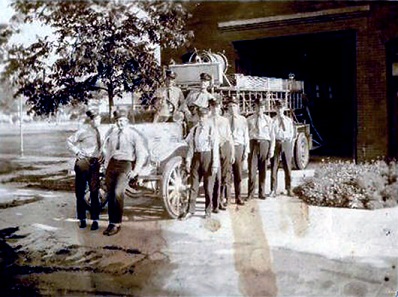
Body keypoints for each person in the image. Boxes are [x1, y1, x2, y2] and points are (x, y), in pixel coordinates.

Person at [102, 109, 148, 235]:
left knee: (118, 192)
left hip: (125, 164)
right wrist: (106, 167)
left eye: (122, 121)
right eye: (118, 121)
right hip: (112, 164)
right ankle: (111, 223)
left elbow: (141, 153)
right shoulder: (113, 134)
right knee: (110, 193)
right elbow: (109, 151)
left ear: (127, 121)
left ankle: (117, 224)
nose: (120, 123)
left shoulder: (133, 135)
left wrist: (135, 171)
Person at [181, 107, 219, 219]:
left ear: (208, 116)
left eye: (204, 116)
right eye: (200, 116)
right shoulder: (194, 130)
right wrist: (188, 160)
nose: (202, 119)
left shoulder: (212, 129)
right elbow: (190, 146)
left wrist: (215, 164)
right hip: (196, 158)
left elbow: (215, 147)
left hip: (208, 157)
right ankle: (190, 210)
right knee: (194, 186)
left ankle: (208, 211)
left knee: (208, 187)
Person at [67, 110, 103, 231]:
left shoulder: (99, 131)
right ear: (91, 120)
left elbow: (100, 147)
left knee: (94, 191)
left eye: (99, 119)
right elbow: (69, 141)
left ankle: (95, 220)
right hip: (83, 162)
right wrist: (77, 152)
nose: (99, 121)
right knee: (80, 192)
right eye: (96, 119)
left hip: (94, 163)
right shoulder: (83, 131)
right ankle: (82, 219)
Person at [209, 95, 234, 212]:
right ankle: (215, 204)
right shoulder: (207, 120)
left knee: (224, 176)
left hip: (225, 148)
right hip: (213, 149)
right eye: (213, 107)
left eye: (217, 107)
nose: (215, 109)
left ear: (220, 108)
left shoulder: (224, 121)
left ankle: (221, 201)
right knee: (216, 177)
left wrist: (232, 153)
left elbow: (229, 137)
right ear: (210, 108)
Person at [247, 97, 274, 200]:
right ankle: (251, 193)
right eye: (258, 106)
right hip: (253, 143)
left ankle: (261, 192)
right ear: (255, 107)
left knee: (263, 169)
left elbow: (272, 136)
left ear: (264, 107)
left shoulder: (268, 120)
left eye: (262, 107)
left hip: (264, 144)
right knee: (252, 170)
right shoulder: (249, 119)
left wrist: (271, 149)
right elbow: (246, 134)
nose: (259, 109)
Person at [226, 97, 249, 206]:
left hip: (239, 147)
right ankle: (227, 198)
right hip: (228, 148)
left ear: (238, 107)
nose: (232, 108)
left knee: (238, 174)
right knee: (227, 174)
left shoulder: (243, 120)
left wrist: (246, 152)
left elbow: (246, 136)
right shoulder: (224, 119)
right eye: (230, 106)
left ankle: (238, 197)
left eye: (234, 106)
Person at [270, 100, 295, 197]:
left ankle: (288, 188)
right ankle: (273, 190)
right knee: (274, 166)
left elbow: (291, 134)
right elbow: (272, 134)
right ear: (275, 109)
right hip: (277, 143)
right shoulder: (273, 121)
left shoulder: (288, 121)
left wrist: (290, 145)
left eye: (281, 108)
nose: (279, 110)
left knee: (288, 166)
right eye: (277, 108)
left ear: (284, 109)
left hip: (286, 143)